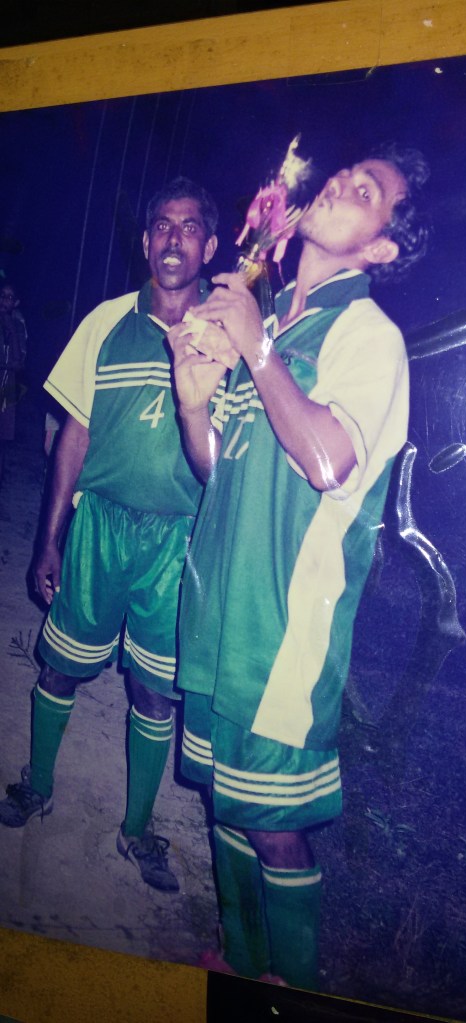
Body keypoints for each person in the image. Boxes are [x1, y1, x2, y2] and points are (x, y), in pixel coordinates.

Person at [168, 143, 429, 983]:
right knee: (226, 800)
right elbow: (217, 466)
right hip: (218, 608)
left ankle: (300, 989)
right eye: (345, 173)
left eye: (366, 191)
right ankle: (243, 963)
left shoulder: (370, 336)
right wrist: (192, 401)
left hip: (282, 636)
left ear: (381, 246)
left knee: (275, 824)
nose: (339, 183)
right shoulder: (272, 313)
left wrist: (256, 350)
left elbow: (326, 461)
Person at [0, 177, 218, 893]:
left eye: (190, 226)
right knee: (61, 667)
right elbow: (74, 434)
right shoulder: (106, 322)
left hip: (177, 542)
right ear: (146, 240)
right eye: (163, 226)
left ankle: (137, 830)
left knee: (155, 693)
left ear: (210, 244)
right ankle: (36, 784)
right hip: (99, 526)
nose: (174, 238)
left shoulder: (228, 336)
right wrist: (49, 538)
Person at [0, 281, 27, 483]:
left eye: (9, 297)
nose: (4, 301)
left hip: (8, 385)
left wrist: (10, 327)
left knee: (2, 436)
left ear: (16, 303)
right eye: (2, 295)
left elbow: (19, 363)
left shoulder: (18, 324)